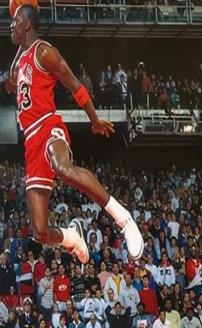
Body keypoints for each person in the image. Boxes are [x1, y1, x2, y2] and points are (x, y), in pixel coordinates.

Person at [9, 5, 143, 265]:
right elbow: (10, 80)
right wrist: (19, 32)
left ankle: (123, 218)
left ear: (27, 24)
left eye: (15, 21)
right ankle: (71, 237)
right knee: (39, 231)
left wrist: (94, 119)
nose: (10, 25)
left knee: (64, 168)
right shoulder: (22, 58)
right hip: (30, 139)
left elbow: (75, 84)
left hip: (48, 124)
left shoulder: (44, 52)